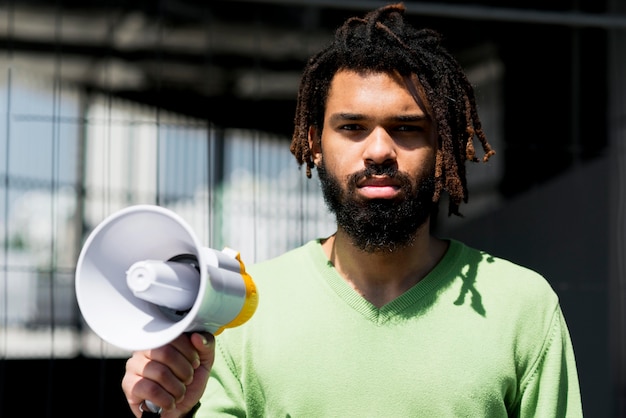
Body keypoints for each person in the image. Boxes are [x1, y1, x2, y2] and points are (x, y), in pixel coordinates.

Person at [121, 3, 583, 417]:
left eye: (406, 128)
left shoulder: (523, 308)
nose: (379, 150)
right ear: (313, 143)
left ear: (442, 148)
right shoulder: (246, 309)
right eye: (352, 127)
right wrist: (170, 414)